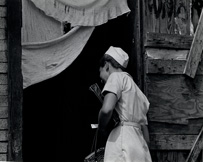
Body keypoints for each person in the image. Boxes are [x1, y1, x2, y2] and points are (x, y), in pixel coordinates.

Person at [98, 46, 152, 162]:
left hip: (122, 139)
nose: (101, 80)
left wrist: (101, 127)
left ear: (107, 65)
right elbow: (146, 135)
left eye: (100, 72)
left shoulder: (115, 77)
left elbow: (106, 109)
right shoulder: (139, 93)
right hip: (139, 144)